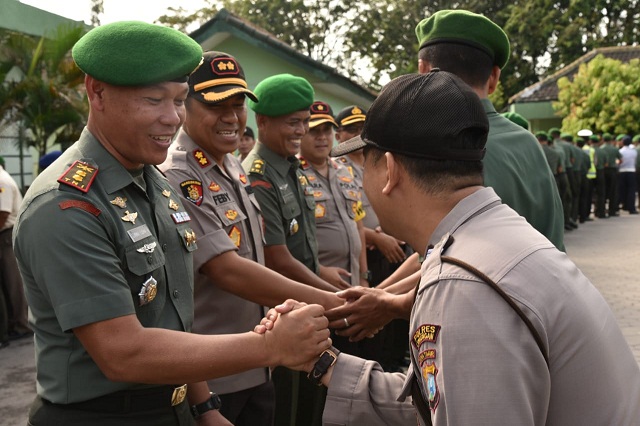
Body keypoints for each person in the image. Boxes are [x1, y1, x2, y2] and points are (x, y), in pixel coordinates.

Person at [269, 70, 640, 425]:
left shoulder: (463, 288)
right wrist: (324, 364)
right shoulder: (488, 236)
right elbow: (438, 399)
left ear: (391, 171)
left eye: (364, 163)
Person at [12, 22, 330, 426]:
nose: (171, 118)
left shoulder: (154, 182)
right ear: (97, 92)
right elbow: (123, 352)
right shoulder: (68, 204)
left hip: (174, 407)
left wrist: (203, 406)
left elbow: (174, 315)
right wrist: (269, 347)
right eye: (153, 100)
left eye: (179, 100)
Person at [159, 51, 345, 425]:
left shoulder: (228, 163)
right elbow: (227, 269)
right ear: (185, 106)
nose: (231, 117)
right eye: (216, 105)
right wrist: (337, 306)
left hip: (259, 363)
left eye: (238, 104)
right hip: (216, 373)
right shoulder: (179, 175)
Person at [241, 74, 347, 426]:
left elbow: (304, 248)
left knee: (312, 406)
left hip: (309, 307)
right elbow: (278, 258)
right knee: (286, 410)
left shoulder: (290, 168)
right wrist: (335, 299)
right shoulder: (259, 175)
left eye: (304, 122)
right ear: (263, 121)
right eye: (293, 122)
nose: (301, 131)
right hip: (282, 316)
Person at [333, 105, 416, 371]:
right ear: (340, 135)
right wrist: (377, 238)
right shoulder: (338, 168)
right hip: (368, 252)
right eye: (352, 130)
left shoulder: (377, 159)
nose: (359, 135)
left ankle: (390, 362)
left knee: (391, 323)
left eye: (362, 129)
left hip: (395, 249)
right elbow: (343, 222)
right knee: (373, 322)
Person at [298, 100, 368, 356]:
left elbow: (358, 225)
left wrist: (363, 275)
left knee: (353, 356)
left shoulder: (344, 171)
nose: (321, 138)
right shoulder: (294, 174)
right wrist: (318, 269)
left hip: (351, 284)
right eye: (314, 131)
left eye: (326, 131)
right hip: (316, 287)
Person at [0, 156, 30, 349]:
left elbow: (2, 213)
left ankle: (21, 325)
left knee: (13, 283)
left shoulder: (1, 181)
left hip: (5, 234)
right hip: (5, 234)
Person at [618, 135, 638, 214]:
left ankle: (624, 205)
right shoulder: (634, 151)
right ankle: (631, 208)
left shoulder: (620, 151)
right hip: (631, 171)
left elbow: (619, 161)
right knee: (631, 190)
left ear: (622, 142)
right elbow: (635, 161)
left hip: (622, 171)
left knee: (622, 190)